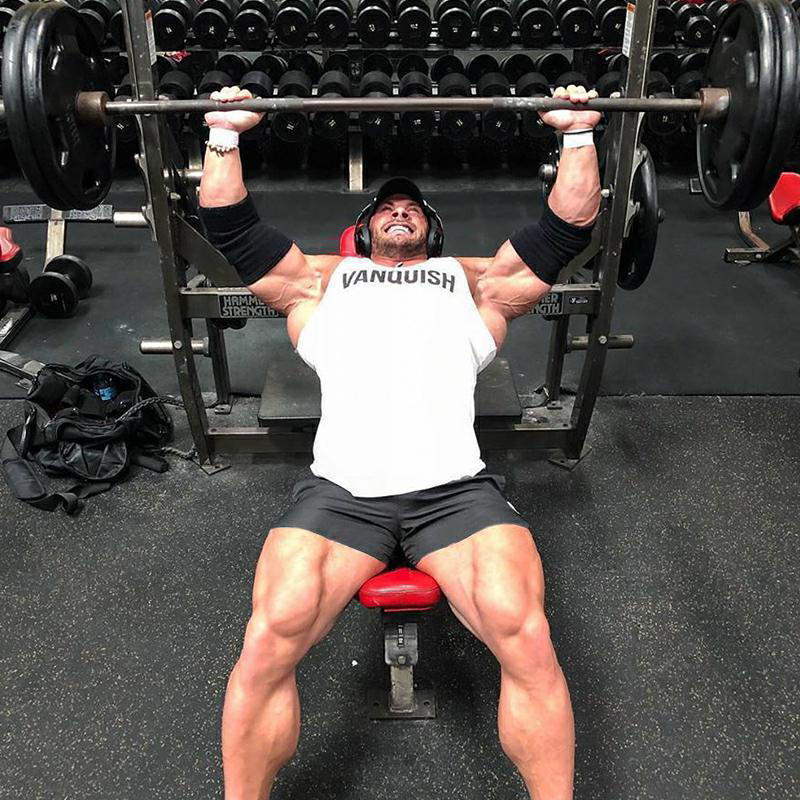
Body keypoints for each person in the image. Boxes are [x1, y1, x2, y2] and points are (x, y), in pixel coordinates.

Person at [198, 83, 601, 800]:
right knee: (269, 636)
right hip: (342, 493)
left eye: (413, 208)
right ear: (363, 231)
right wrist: (225, 134)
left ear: (431, 232)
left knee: (526, 633)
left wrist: (576, 133)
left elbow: (566, 227)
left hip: (455, 494)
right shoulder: (321, 287)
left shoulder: (472, 286)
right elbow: (230, 226)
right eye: (386, 207)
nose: (400, 210)